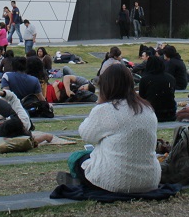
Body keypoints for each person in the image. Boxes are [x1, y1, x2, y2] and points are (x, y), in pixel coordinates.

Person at [69, 64, 161, 193]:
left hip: (115, 181)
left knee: (77, 158)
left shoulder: (106, 109)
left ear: (105, 86)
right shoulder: (147, 108)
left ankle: (79, 181)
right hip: (150, 180)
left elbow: (86, 135)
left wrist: (99, 104)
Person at [137, 55, 176, 122]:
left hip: (152, 114)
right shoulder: (170, 78)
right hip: (171, 114)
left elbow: (142, 97)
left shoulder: (145, 79)